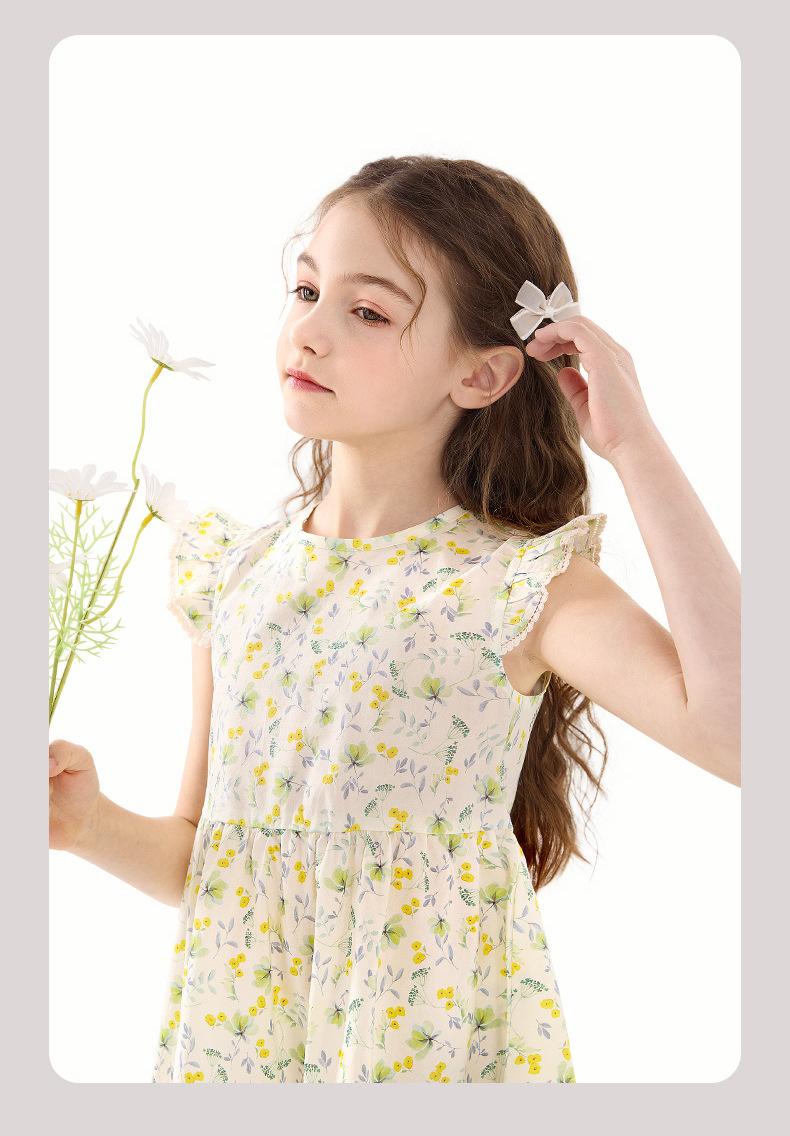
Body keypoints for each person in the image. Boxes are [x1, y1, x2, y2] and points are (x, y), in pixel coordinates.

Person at [49, 155, 740, 1084]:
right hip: (243, 1055)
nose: (309, 331)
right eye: (306, 290)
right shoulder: (239, 577)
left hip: (422, 1062)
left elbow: (743, 735)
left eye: (367, 312)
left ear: (484, 374)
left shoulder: (513, 590)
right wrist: (86, 823)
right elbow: (213, 863)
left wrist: (635, 444)